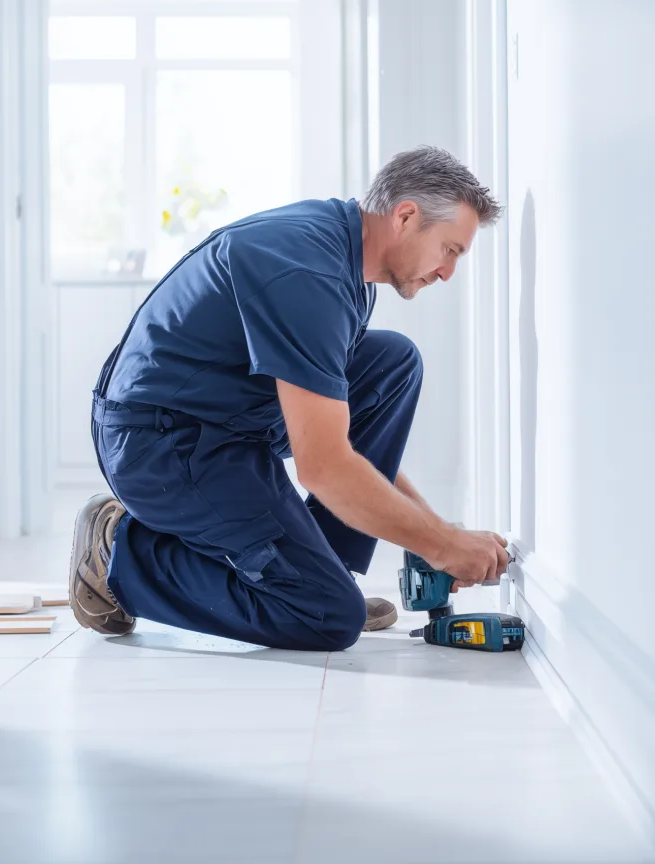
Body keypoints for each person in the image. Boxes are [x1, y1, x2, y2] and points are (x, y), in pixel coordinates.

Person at [69, 145, 510, 651]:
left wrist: (437, 533)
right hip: (159, 442)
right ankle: (120, 555)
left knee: (392, 363)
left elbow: (339, 441)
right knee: (326, 618)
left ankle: (322, 568)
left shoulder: (344, 260)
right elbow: (324, 466)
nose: (448, 272)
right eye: (450, 250)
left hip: (222, 417)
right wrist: (443, 544)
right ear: (406, 216)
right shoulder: (310, 275)